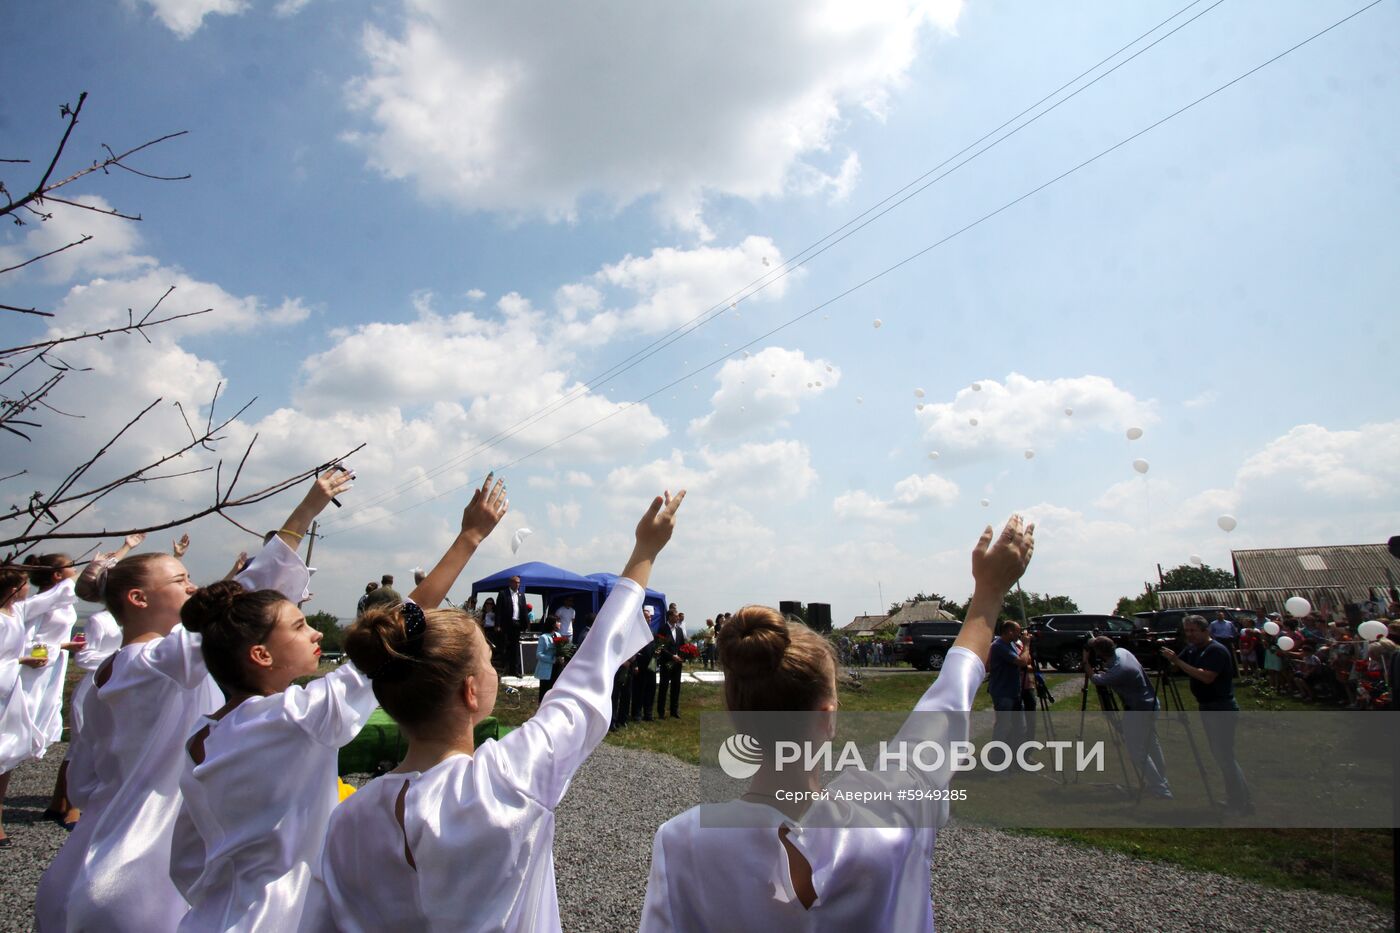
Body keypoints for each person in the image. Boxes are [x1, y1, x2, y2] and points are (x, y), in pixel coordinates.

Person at [308, 490, 684, 932]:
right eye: (488, 659)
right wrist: (644, 551)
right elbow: (590, 672)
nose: (494, 668)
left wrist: (469, 537)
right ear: (471, 692)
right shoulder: (507, 780)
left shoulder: (348, 819)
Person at [640, 517, 1035, 931]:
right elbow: (951, 694)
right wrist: (989, 593)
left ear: (737, 719)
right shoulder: (894, 813)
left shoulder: (683, 841)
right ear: (827, 719)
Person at [170, 474, 504, 932]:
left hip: (207, 916)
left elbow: (186, 861)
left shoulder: (200, 736)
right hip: (280, 918)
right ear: (261, 655)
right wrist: (469, 538)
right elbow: (402, 624)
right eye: (299, 624)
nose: (315, 633)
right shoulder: (296, 718)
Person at [34, 471, 348, 932]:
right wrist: (303, 513)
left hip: (89, 849)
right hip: (141, 870)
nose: (195, 587)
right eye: (181, 580)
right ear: (138, 598)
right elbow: (238, 605)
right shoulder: (155, 665)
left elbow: (82, 781)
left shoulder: (98, 681)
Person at [1162, 614, 1252, 814]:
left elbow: (1206, 677)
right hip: (1207, 706)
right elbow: (1178, 665)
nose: (1190, 635)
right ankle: (1236, 798)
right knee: (1220, 755)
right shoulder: (1193, 649)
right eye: (1187, 631)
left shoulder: (1215, 650)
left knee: (1225, 755)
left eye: (1193, 631)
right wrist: (1170, 658)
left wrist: (1177, 660)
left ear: (1205, 630)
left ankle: (1240, 802)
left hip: (1221, 707)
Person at [1, 566, 62, 847]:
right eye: (24, 583)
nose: (29, 588)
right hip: (4, 685)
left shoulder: (17, 612)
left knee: (8, 753)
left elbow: (56, 595)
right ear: (14, 588)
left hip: (10, 690)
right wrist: (22, 662)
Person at [1084, 636, 1171, 798]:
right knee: (1152, 744)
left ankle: (1159, 788)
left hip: (1138, 710)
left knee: (1137, 750)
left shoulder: (1118, 670)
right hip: (1150, 705)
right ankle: (1163, 782)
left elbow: (1096, 679)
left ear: (1100, 653)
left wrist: (1086, 662)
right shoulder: (1123, 652)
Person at [988, 619, 1031, 750]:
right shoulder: (999, 646)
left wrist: (1023, 648)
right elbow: (1022, 662)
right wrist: (1027, 645)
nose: (1020, 635)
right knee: (1003, 727)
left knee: (1020, 726)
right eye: (1018, 632)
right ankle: (997, 759)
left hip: (1014, 692)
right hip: (1003, 693)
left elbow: (1027, 659)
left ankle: (1012, 758)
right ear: (1010, 632)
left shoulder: (1011, 644)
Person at [494, 575, 528, 677]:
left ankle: (515, 670)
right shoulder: (503, 594)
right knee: (504, 646)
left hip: (517, 624)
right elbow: (498, 610)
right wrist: (497, 624)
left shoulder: (521, 595)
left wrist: (525, 624)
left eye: (519, 583)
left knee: (515, 647)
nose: (517, 584)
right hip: (506, 624)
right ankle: (504, 669)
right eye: (515, 582)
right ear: (511, 583)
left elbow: (524, 611)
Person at [655, 608, 686, 719]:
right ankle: (661, 711)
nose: (678, 617)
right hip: (667, 662)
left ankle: (674, 710)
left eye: (678, 616)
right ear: (670, 617)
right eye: (676, 616)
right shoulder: (663, 629)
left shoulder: (679, 630)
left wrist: (682, 656)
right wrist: (672, 656)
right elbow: (660, 647)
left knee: (676, 687)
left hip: (677, 664)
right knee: (664, 687)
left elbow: (682, 645)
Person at [535, 618, 562, 704]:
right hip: (547, 668)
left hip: (557, 667)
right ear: (553, 624)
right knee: (545, 690)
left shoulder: (558, 635)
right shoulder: (544, 637)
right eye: (558, 622)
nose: (560, 623)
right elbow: (539, 654)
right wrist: (552, 659)